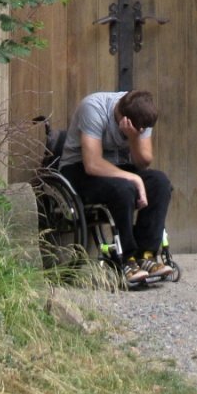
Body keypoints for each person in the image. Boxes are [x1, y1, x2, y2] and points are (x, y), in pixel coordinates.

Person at [59, 87, 172, 284]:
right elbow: (92, 163)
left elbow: (144, 162)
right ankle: (126, 259)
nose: (143, 131)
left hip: (117, 168)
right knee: (124, 188)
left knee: (159, 183)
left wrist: (135, 137)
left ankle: (146, 255)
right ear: (123, 119)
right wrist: (134, 179)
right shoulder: (93, 108)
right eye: (139, 129)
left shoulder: (141, 115)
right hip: (79, 169)